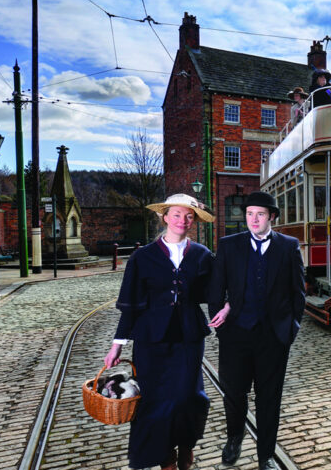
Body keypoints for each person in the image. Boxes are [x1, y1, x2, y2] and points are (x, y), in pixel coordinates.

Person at [103, 193, 215, 470]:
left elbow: (216, 294)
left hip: (188, 337)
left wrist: (229, 308)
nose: (183, 220)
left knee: (188, 396)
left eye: (189, 216)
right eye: (176, 214)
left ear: (195, 221)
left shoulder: (202, 255)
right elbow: (130, 304)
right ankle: (165, 458)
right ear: (164, 217)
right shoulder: (142, 257)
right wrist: (117, 344)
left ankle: (187, 445)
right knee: (154, 401)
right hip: (150, 340)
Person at [207, 191, 306, 470]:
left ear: (271, 216)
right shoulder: (229, 245)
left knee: (269, 397)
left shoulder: (288, 246)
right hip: (236, 335)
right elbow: (216, 289)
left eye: (260, 214)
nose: (253, 219)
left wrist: (289, 332)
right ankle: (234, 438)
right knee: (234, 392)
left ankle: (266, 456)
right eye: (249, 213)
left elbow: (298, 294)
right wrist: (222, 326)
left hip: (273, 337)